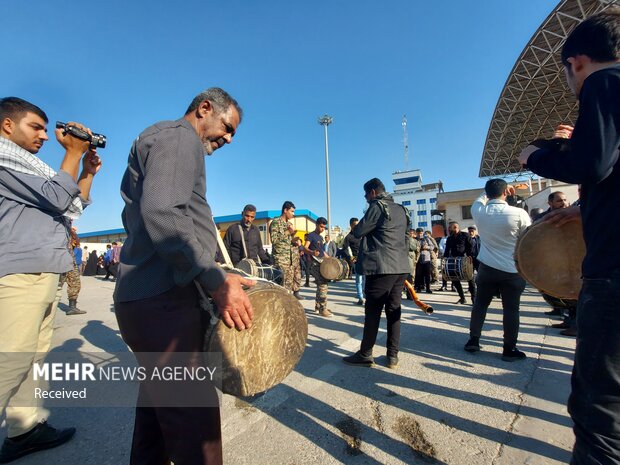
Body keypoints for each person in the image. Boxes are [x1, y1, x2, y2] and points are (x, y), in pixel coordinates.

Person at [114, 87, 254, 465]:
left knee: (156, 426)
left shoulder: (162, 139)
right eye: (227, 128)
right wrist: (214, 280)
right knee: (197, 433)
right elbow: (163, 215)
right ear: (204, 108)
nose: (227, 138)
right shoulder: (179, 138)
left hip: (150, 301)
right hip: (162, 303)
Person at [517, 10, 620, 463]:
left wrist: (536, 155)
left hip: (614, 272)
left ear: (576, 62)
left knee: (599, 411)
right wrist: (581, 207)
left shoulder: (603, 82)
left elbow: (592, 164)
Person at [0, 97, 101, 462]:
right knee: (10, 361)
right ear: (7, 125)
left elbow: (73, 204)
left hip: (43, 271)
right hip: (19, 273)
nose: (45, 135)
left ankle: (23, 430)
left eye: (46, 128)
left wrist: (86, 171)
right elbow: (59, 197)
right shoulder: (4, 158)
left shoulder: (29, 166)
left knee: (33, 358)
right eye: (36, 127)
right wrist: (72, 153)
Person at [342, 178, 410, 369]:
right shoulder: (401, 209)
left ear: (372, 192)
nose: (365, 198)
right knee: (394, 310)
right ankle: (392, 356)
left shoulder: (377, 206)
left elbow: (359, 231)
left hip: (382, 267)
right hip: (401, 267)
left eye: (365, 194)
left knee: (372, 312)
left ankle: (365, 354)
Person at [463, 180, 531, 361]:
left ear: (487, 193)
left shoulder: (479, 211)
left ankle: (473, 340)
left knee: (480, 305)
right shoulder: (519, 213)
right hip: (512, 269)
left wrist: (487, 193)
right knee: (511, 310)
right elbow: (528, 239)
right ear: (506, 193)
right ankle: (509, 349)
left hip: (487, 267)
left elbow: (480, 198)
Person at [270, 201, 303, 300]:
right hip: (280, 260)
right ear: (285, 210)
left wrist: (296, 241)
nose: (293, 214)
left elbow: (288, 241)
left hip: (290, 260)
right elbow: (274, 240)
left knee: (288, 287)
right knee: (280, 286)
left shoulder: (289, 224)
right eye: (292, 211)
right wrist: (288, 232)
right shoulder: (276, 222)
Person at [56, 226, 87, 315]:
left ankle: (72, 307)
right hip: (58, 259)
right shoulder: (57, 226)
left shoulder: (70, 230)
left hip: (70, 260)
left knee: (75, 283)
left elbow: (77, 242)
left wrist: (72, 232)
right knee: (56, 285)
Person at [444, 221, 476, 305]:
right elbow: (447, 250)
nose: (448, 229)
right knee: (454, 279)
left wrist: (470, 257)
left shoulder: (465, 235)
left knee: (470, 279)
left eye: (450, 227)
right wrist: (444, 259)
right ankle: (462, 298)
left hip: (465, 260)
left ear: (455, 227)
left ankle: (474, 298)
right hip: (454, 261)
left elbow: (471, 246)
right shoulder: (449, 238)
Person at [304, 217, 331, 317]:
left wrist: (330, 259)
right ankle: (322, 309)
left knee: (320, 285)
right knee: (323, 284)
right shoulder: (311, 235)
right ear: (316, 224)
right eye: (321, 226)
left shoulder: (320, 237)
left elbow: (322, 251)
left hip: (321, 263)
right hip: (314, 264)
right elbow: (305, 247)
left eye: (324, 227)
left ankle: (317, 307)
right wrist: (312, 252)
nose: (322, 229)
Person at [343, 217, 365, 305]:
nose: (357, 226)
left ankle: (365, 295)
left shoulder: (363, 234)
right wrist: (351, 257)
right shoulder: (348, 237)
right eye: (355, 225)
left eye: (358, 224)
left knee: (365, 279)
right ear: (351, 225)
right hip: (357, 260)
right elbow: (346, 249)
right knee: (359, 279)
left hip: (366, 259)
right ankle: (360, 297)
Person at [414, 228, 433, 293]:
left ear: (423, 233)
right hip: (418, 259)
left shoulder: (426, 239)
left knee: (427, 274)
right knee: (418, 274)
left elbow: (432, 247)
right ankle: (418, 288)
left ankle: (428, 288)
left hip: (426, 259)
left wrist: (426, 247)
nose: (419, 234)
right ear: (416, 233)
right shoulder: (414, 239)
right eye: (418, 233)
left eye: (421, 233)